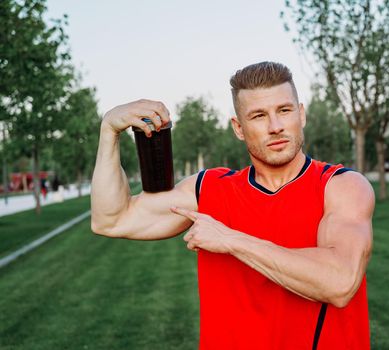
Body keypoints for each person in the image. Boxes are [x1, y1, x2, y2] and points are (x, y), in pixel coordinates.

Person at [91, 62, 374, 349]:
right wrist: (109, 132)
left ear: (301, 114)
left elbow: (340, 282)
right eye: (259, 116)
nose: (275, 127)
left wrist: (230, 239)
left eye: (284, 111)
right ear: (239, 128)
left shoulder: (341, 186)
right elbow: (111, 219)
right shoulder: (208, 189)